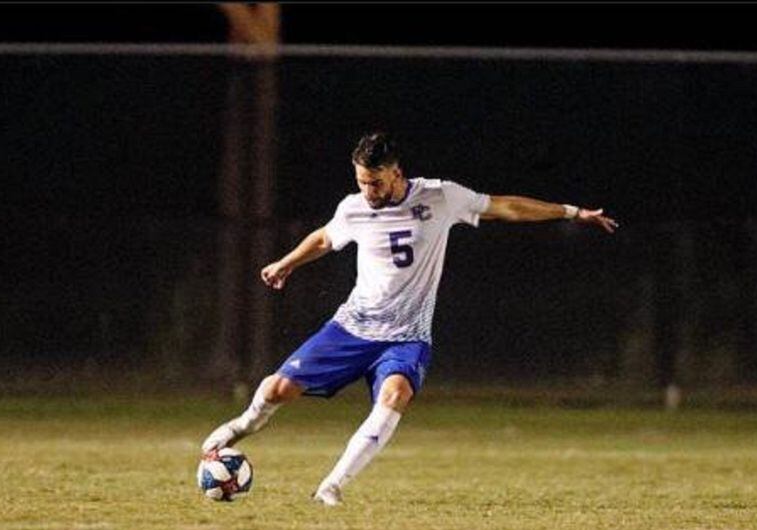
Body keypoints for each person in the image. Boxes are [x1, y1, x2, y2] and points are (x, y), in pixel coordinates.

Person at [201, 132, 618, 506]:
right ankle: (238, 427)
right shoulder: (353, 208)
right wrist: (286, 264)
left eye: (375, 182)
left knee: (395, 395)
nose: (368, 190)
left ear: (397, 173)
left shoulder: (440, 197)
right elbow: (327, 238)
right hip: (352, 326)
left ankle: (331, 485)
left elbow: (504, 207)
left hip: (407, 335)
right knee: (278, 389)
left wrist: (570, 211)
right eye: (361, 181)